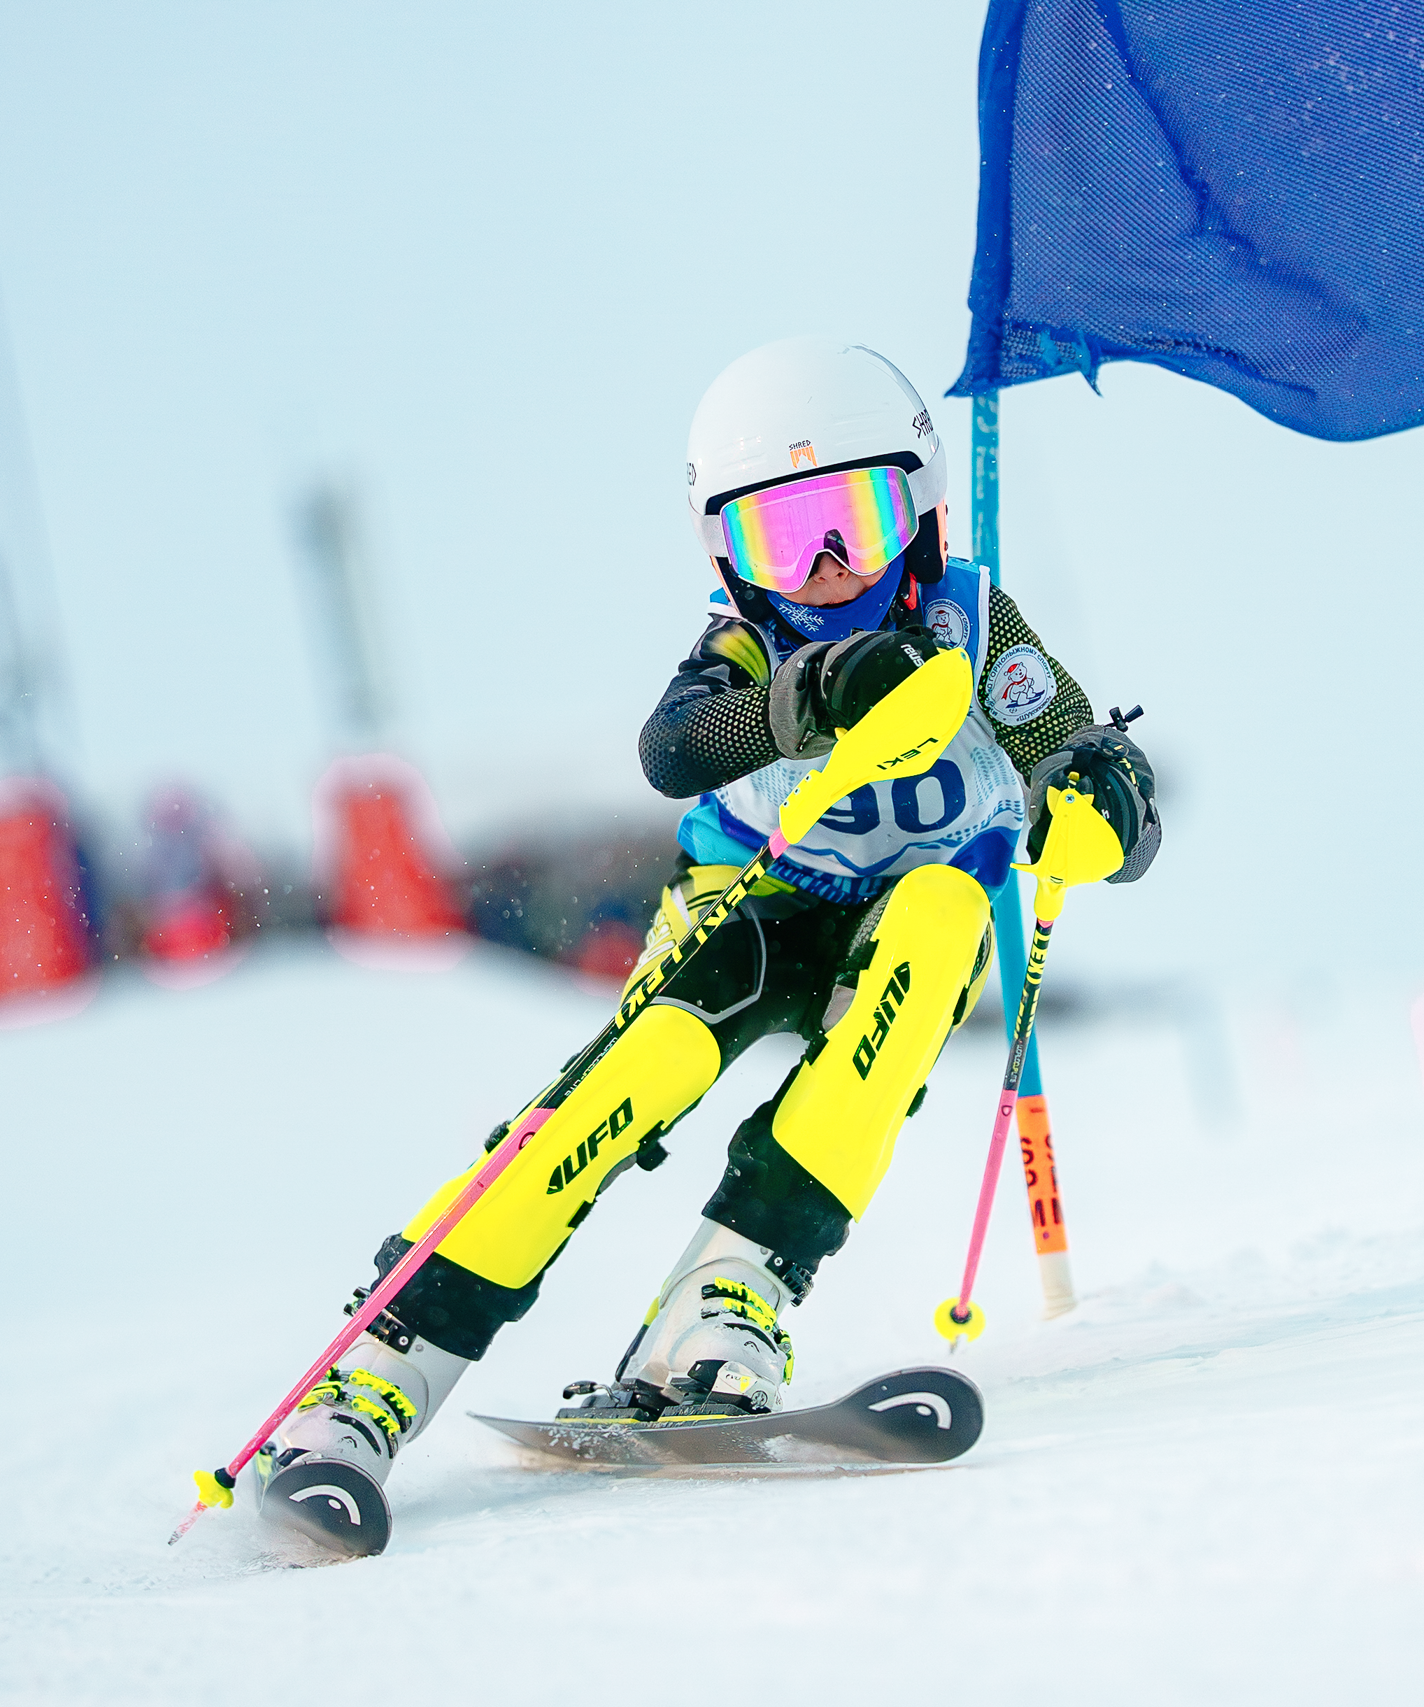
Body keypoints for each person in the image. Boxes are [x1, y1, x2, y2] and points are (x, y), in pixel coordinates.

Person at [270, 337, 1160, 1486]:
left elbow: (1075, 744)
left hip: (902, 926)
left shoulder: (976, 628)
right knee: (645, 1068)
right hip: (754, 905)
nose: (828, 565)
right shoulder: (745, 645)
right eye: (782, 538)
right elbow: (672, 750)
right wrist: (809, 694)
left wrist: (1101, 798)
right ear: (730, 555)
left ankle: (729, 1298)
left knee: (942, 924)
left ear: (922, 506)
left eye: (856, 516)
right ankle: (380, 1369)